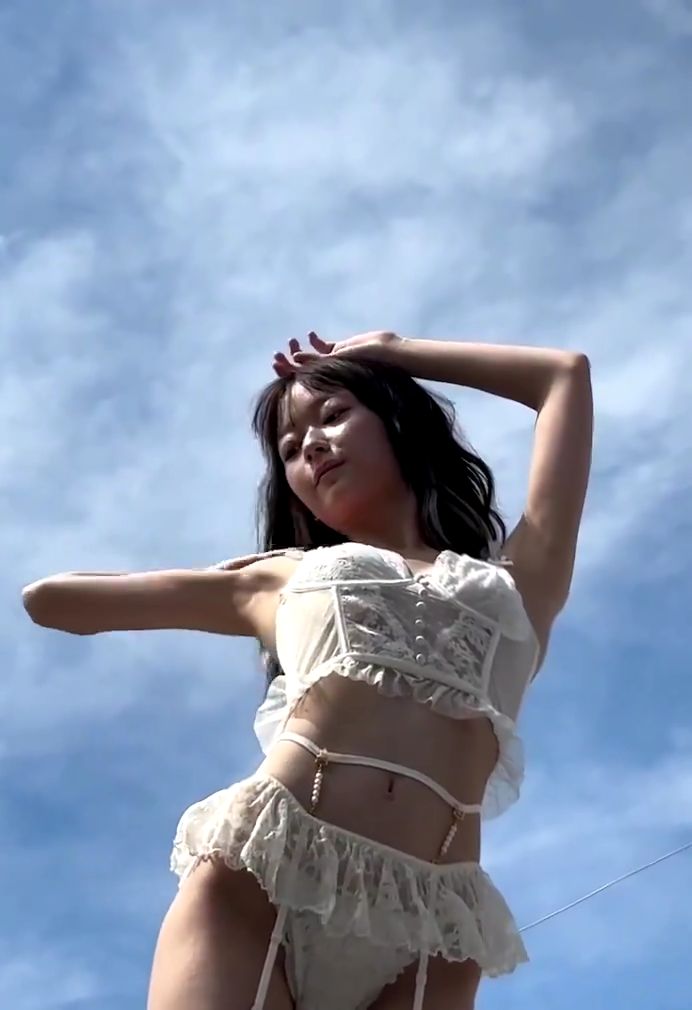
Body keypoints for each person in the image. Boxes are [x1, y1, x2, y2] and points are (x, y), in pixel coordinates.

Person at [22, 331, 593, 1010]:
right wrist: (230, 577)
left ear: (399, 421)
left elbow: (563, 376)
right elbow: (51, 600)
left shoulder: (522, 583)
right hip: (263, 880)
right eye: (290, 449)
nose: (312, 447)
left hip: (431, 927)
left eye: (333, 415)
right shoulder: (284, 578)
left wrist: (391, 350)